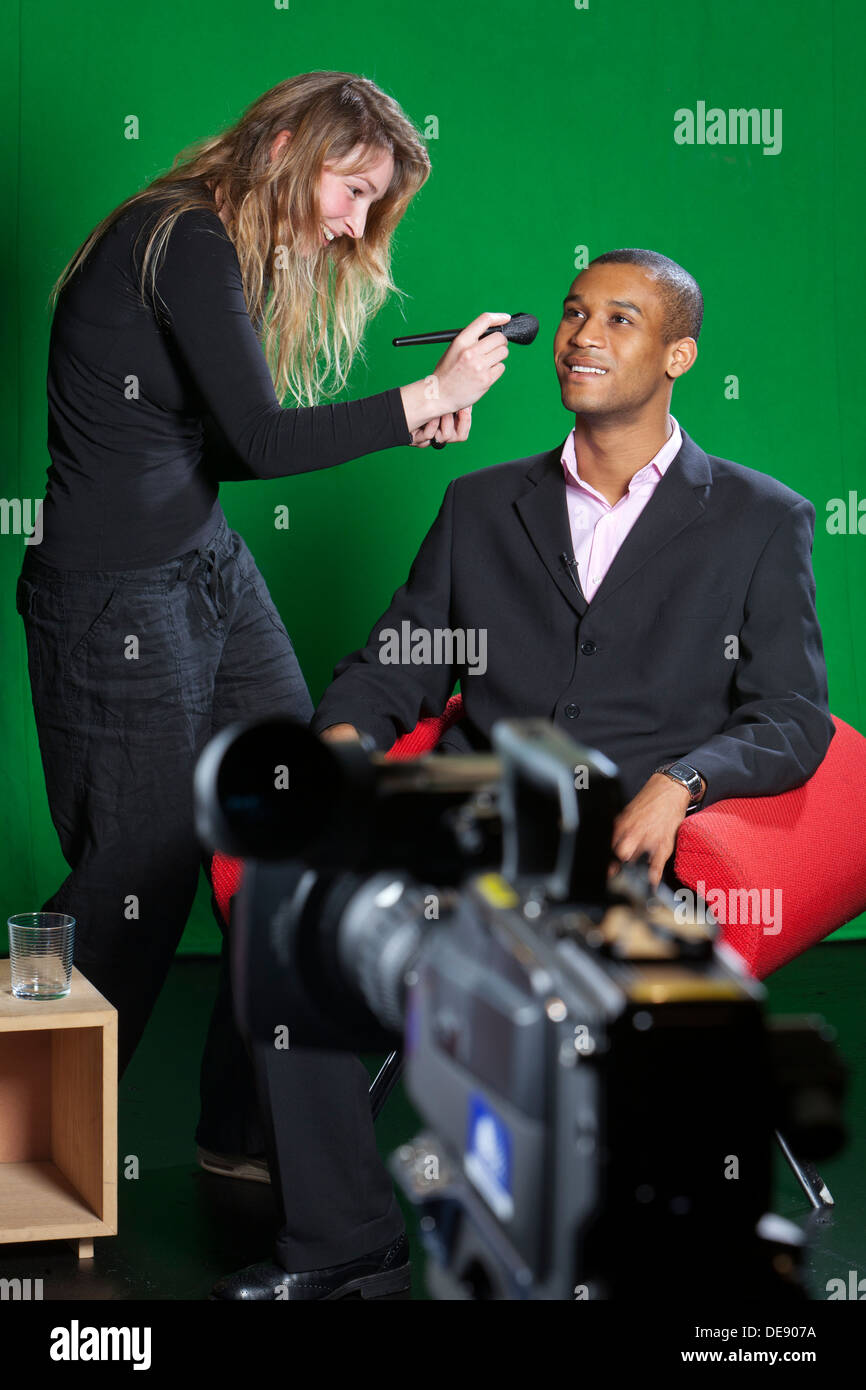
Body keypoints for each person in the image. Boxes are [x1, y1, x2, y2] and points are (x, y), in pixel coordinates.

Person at [15, 71, 510, 1300]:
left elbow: (231, 445)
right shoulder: (175, 236)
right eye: (350, 192)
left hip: (205, 569)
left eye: (368, 208)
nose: (351, 227)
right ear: (287, 145)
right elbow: (258, 442)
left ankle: (240, 1132)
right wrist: (426, 399)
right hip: (114, 596)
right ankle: (20, 1158)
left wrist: (414, 408)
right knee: (136, 878)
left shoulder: (221, 241)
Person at [312, 249, 835, 893]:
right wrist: (340, 752)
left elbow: (790, 715)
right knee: (305, 928)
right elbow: (395, 664)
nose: (583, 335)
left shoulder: (765, 518)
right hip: (463, 832)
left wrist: (680, 785)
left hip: (627, 850)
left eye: (620, 320)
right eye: (574, 314)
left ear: (679, 356)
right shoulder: (477, 503)